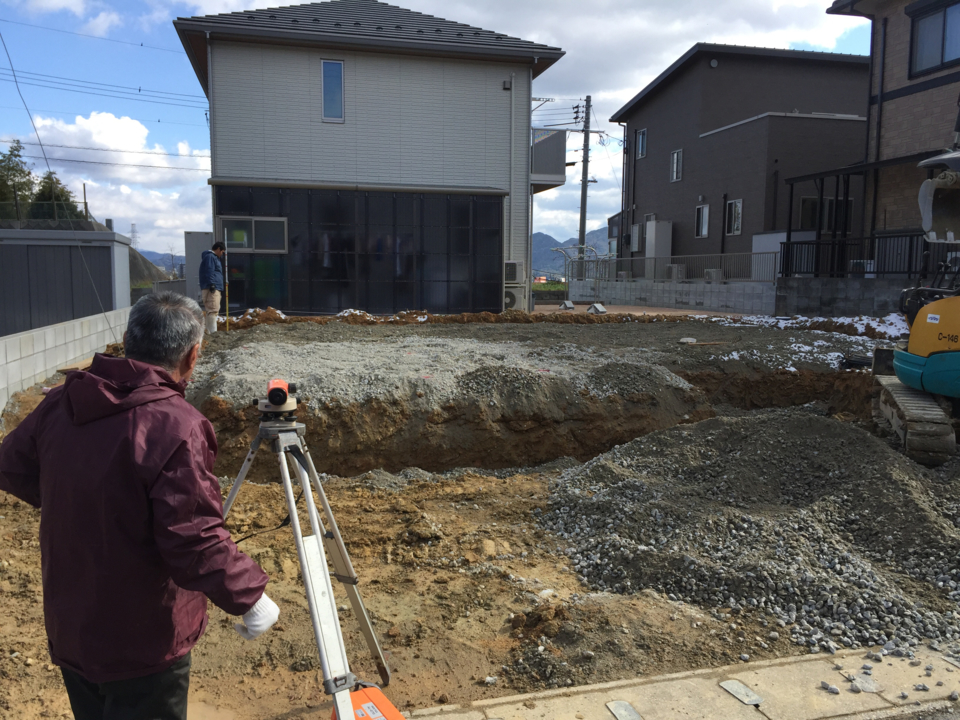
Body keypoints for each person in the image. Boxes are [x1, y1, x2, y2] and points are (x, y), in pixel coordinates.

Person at [0, 292, 279, 720]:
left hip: (73, 625)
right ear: (192, 356)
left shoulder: (60, 403)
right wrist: (250, 598)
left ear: (127, 340)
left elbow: (13, 466)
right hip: (143, 640)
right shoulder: (176, 425)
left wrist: (81, 495)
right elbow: (193, 538)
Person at [199, 242, 225, 334]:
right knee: (212, 310)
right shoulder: (211, 257)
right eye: (222, 251)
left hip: (212, 286)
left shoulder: (210, 257)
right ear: (218, 249)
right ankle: (212, 333)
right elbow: (209, 271)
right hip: (212, 288)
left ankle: (209, 332)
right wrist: (212, 284)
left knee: (211, 310)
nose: (222, 254)